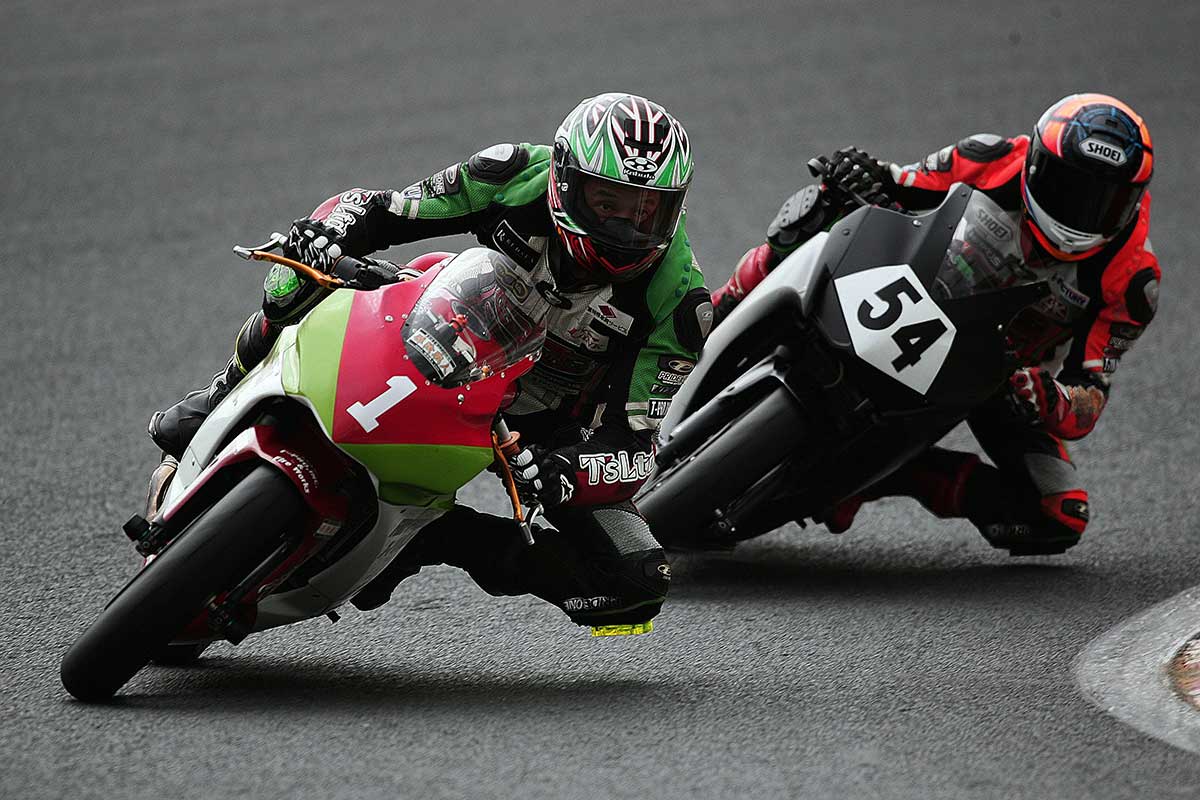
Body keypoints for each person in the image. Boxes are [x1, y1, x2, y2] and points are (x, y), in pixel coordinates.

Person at [147, 92, 711, 629]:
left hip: (542, 428)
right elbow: (385, 208)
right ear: (564, 182)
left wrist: (568, 471)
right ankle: (223, 393)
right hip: (453, 324)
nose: (626, 230)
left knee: (635, 582)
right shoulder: (513, 174)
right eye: (607, 204)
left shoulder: (680, 304)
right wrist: (327, 235)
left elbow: (634, 444)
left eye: (647, 211)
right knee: (297, 275)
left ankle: (428, 535)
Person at [710, 93, 1159, 555]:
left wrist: (1047, 397)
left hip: (997, 376)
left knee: (1057, 513)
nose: (1079, 210)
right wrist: (859, 172)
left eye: (1104, 201)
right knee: (821, 207)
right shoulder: (989, 157)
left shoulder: (1132, 283)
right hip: (916, 290)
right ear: (1036, 164)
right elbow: (899, 182)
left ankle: (884, 474)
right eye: (1068, 188)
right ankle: (708, 319)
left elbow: (1090, 394)